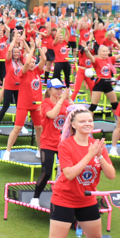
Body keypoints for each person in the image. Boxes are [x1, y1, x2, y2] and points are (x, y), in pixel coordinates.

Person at [31, 106, 120, 238]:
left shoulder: (98, 145)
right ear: (73, 124)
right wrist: (89, 155)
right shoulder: (66, 145)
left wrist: (99, 155)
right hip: (64, 198)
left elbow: (112, 175)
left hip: (87, 199)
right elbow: (70, 174)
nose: (87, 124)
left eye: (90, 120)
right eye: (82, 121)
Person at [0, 37, 45, 161]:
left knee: (39, 128)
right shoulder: (23, 73)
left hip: (36, 105)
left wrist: (38, 46)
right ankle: (8, 151)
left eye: (33, 63)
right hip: (24, 104)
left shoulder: (37, 71)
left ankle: (39, 150)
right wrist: (32, 48)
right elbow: (26, 62)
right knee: (17, 128)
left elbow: (44, 59)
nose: (32, 64)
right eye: (29, 62)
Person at [30, 79, 72, 207]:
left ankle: (65, 196)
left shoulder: (65, 102)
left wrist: (69, 99)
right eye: (57, 89)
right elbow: (52, 115)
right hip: (48, 142)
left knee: (67, 172)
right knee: (46, 172)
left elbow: (76, 112)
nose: (59, 91)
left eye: (61, 89)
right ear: (49, 90)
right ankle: (35, 198)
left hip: (63, 143)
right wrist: (62, 100)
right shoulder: (45, 103)